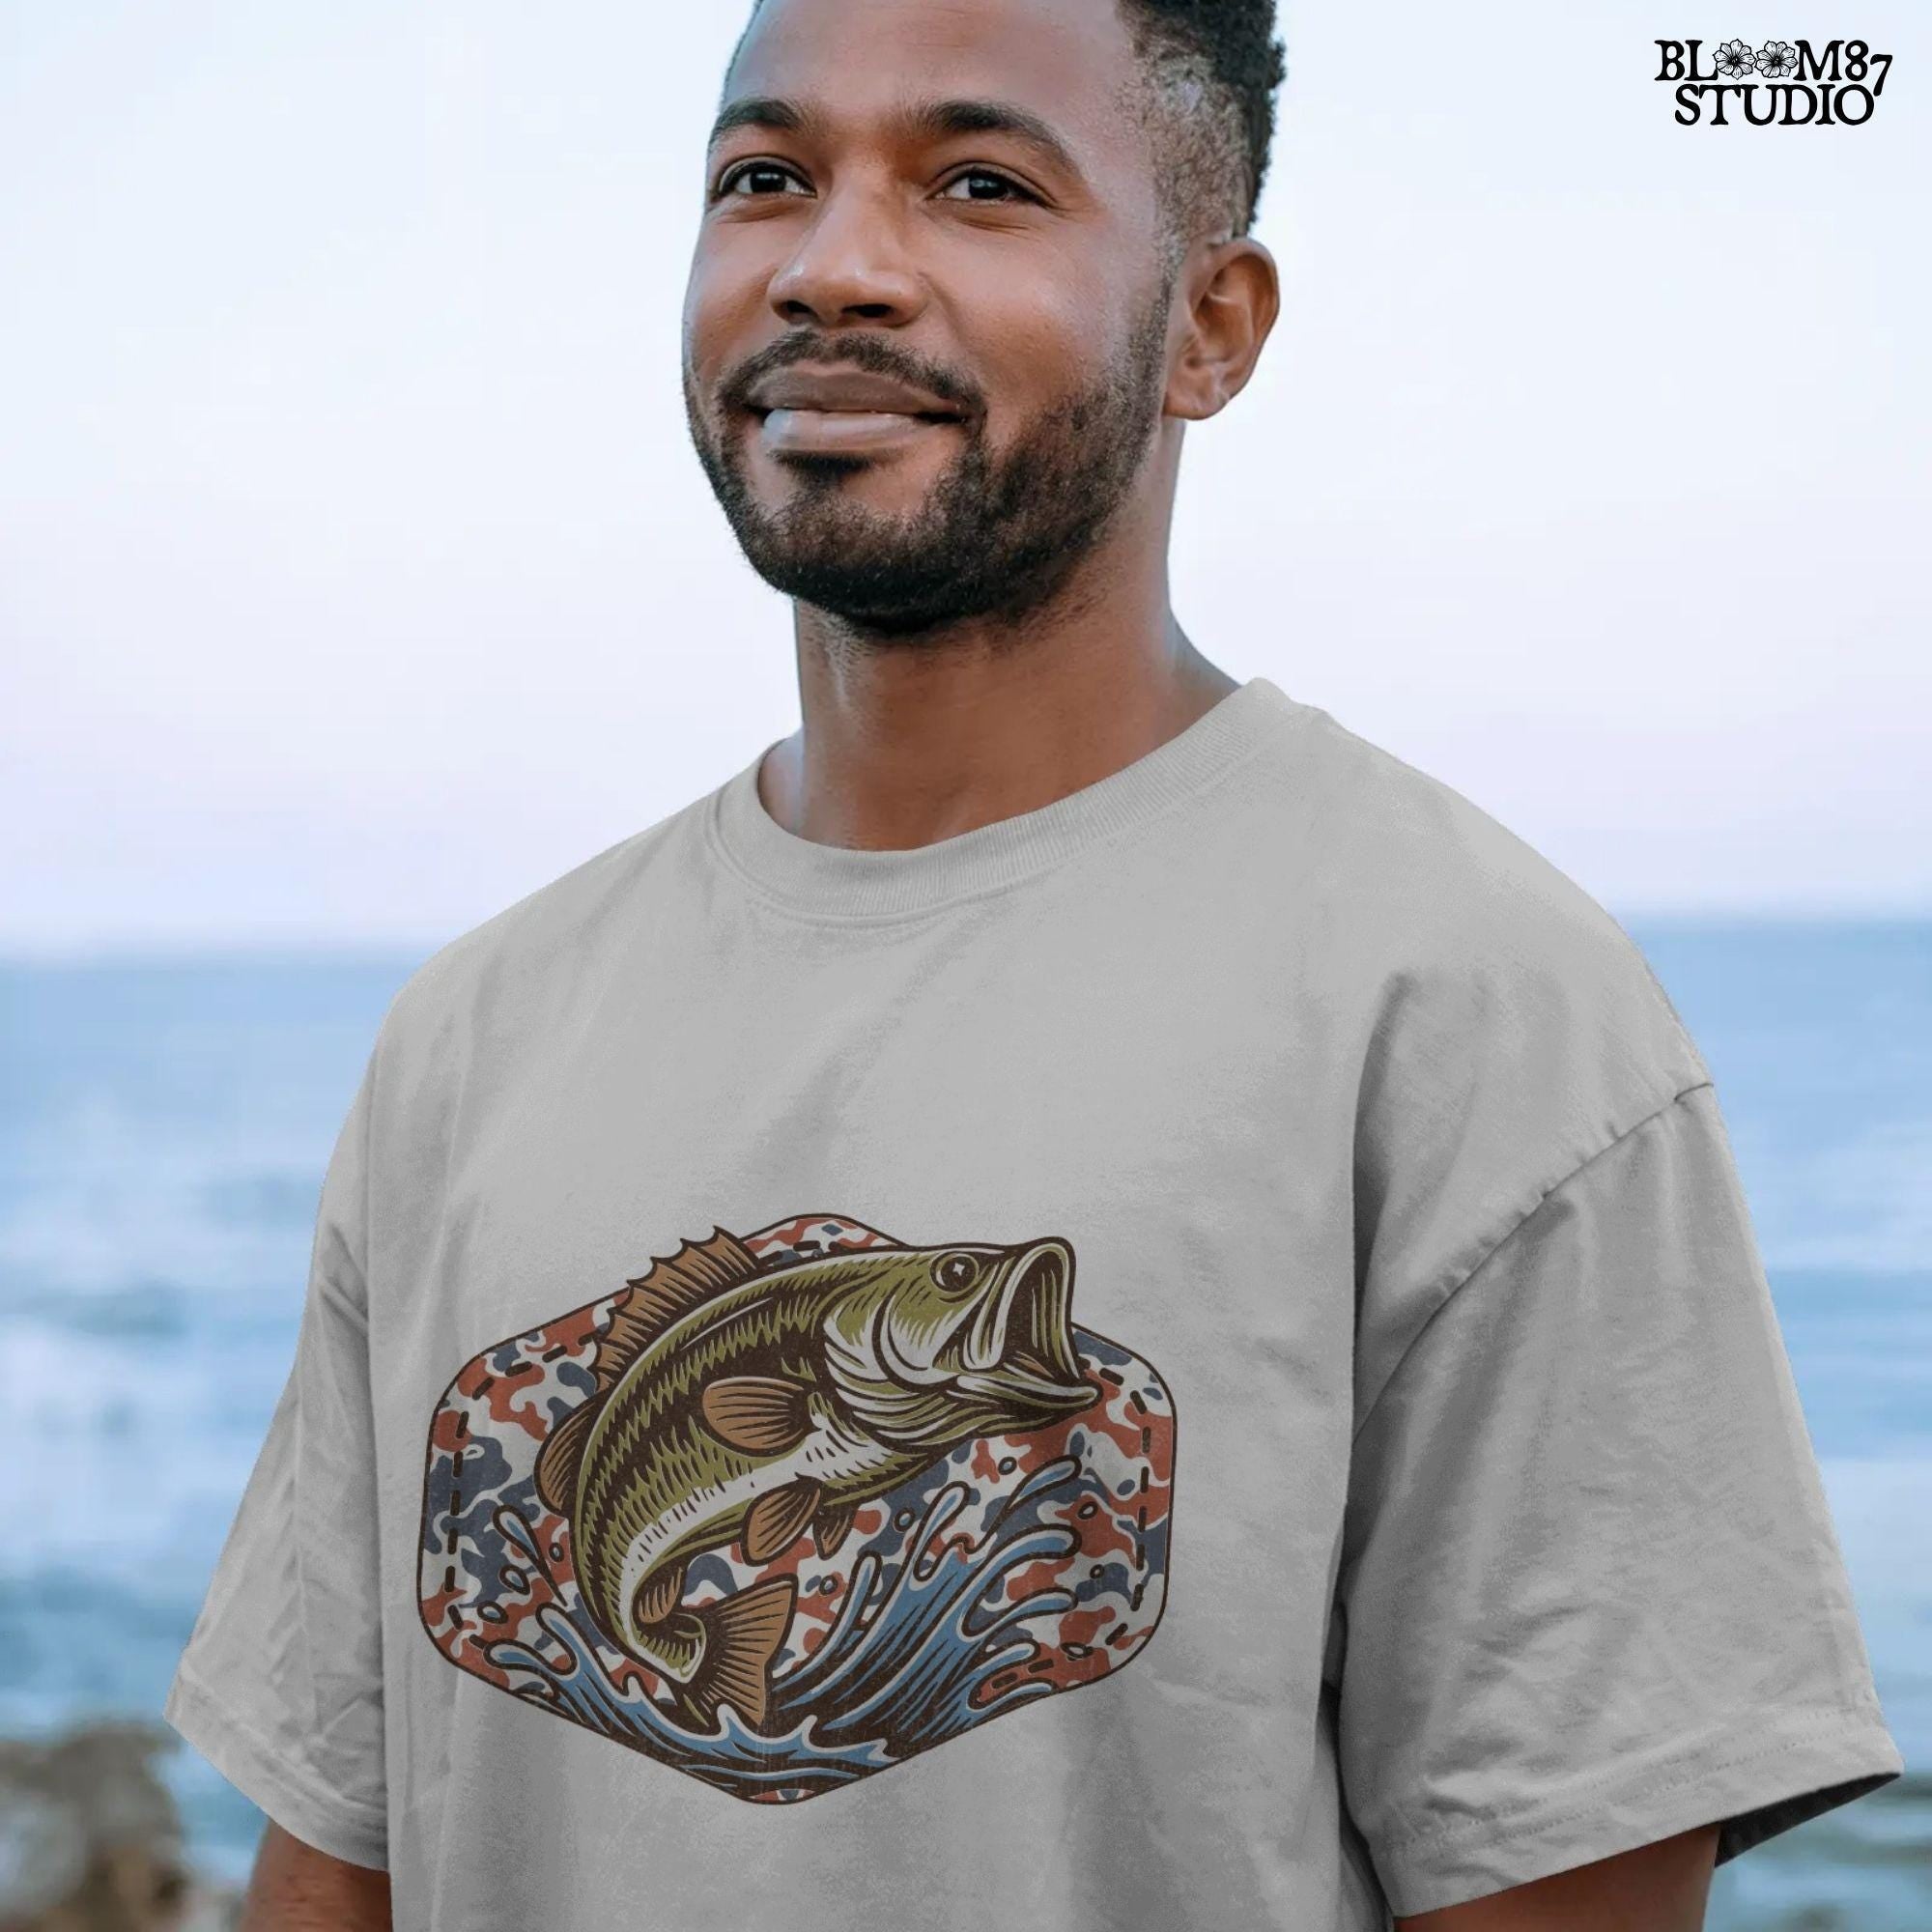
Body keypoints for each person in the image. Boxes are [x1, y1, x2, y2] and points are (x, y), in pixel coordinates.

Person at [160, 0, 1904, 1925]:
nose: (833, 266)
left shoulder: (1477, 1005)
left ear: (1211, 326)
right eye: (766, 177)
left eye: (980, 184)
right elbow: (338, 1853)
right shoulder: (469, 1034)